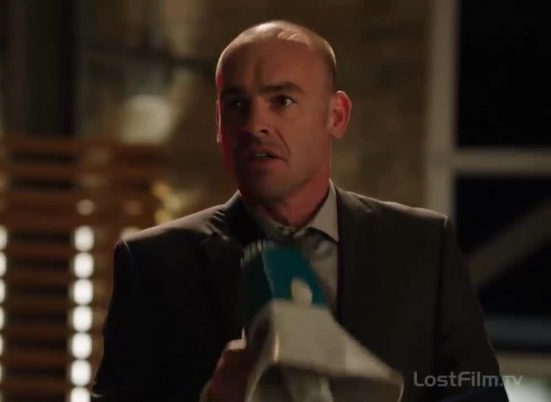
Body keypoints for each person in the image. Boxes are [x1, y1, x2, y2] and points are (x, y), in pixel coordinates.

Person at [92, 20, 507, 402]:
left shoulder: (421, 246)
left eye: (282, 100)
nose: (255, 124)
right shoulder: (155, 264)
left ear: (336, 115)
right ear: (219, 125)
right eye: (236, 104)